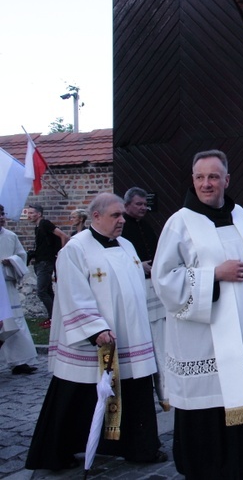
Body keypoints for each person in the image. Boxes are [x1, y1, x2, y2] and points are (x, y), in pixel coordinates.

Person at [152, 150, 243, 479]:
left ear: (226, 180)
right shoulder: (179, 223)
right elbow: (164, 279)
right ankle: (206, 469)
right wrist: (214, 274)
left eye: (213, 177)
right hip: (203, 339)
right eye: (199, 177)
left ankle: (239, 464)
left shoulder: (240, 215)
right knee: (210, 408)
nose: (206, 183)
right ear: (193, 180)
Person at [26, 193, 165, 471]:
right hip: (93, 341)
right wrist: (95, 329)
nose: (122, 220)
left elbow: (134, 286)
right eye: (116, 215)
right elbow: (72, 293)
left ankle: (139, 447)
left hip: (130, 338)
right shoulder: (75, 250)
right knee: (77, 395)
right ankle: (58, 453)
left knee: (135, 392)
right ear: (97, 217)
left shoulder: (125, 245)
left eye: (122, 215)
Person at [120, 186, 168, 410]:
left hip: (154, 289)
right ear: (126, 204)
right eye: (138, 204)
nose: (143, 208)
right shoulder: (121, 229)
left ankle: (166, 389)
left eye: (144, 204)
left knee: (160, 338)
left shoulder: (146, 226)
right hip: (137, 290)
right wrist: (141, 266)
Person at [0, 204, 38, 375]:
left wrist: (12, 261)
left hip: (7, 286)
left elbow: (22, 256)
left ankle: (19, 361)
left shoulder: (10, 236)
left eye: (3, 214)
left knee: (15, 322)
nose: (2, 218)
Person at [26, 204, 69, 328]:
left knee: (41, 291)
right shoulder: (38, 227)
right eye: (28, 213)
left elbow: (63, 236)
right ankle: (55, 317)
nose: (29, 216)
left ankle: (54, 318)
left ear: (39, 214)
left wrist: (61, 254)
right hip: (40, 262)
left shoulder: (45, 223)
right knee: (49, 291)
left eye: (32, 213)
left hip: (46, 262)